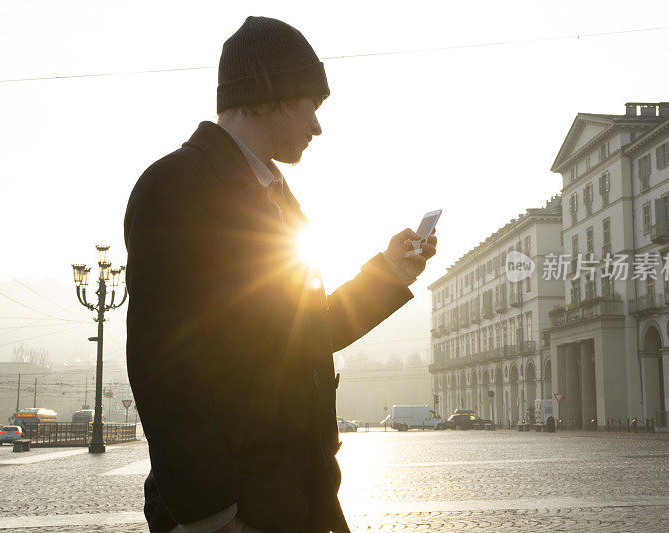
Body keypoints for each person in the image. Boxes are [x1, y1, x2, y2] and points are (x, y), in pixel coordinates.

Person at [124, 16, 438, 533]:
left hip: (300, 494)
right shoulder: (175, 185)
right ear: (269, 95)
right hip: (239, 506)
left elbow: (308, 333)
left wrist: (388, 272)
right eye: (311, 105)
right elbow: (162, 369)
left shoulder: (275, 195)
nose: (318, 125)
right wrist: (213, 517)